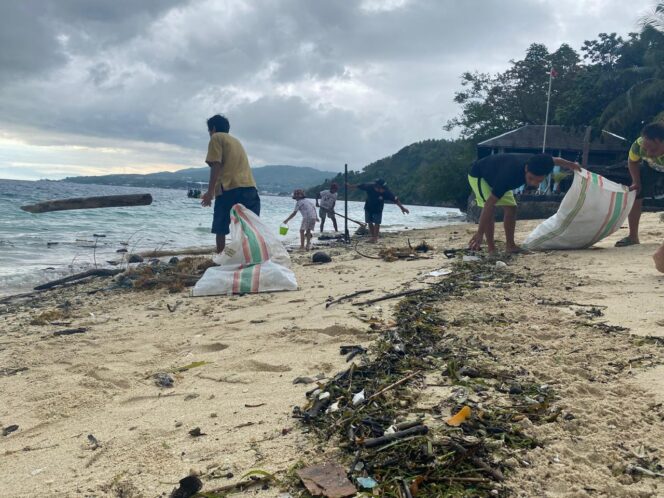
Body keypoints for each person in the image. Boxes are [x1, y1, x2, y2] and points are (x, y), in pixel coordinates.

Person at [468, 153, 580, 253]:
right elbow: (489, 205)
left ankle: (510, 246)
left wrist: (572, 165)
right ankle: (491, 249)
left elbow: (556, 160)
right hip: (480, 175)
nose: (533, 183)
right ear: (526, 168)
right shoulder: (509, 176)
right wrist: (479, 233)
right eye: (531, 178)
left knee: (512, 208)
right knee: (490, 212)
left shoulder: (542, 162)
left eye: (539, 181)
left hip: (497, 176)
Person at [200, 114, 261, 254]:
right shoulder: (236, 141)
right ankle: (253, 256)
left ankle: (221, 258)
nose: (210, 134)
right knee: (251, 227)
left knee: (220, 227)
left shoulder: (216, 137)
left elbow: (216, 165)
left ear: (213, 128)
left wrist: (210, 193)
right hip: (250, 188)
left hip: (229, 188)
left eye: (209, 131)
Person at [615, 122, 664, 248]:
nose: (648, 153)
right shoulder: (638, 145)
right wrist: (636, 182)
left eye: (653, 149)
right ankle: (633, 237)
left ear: (661, 141)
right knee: (636, 192)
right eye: (645, 149)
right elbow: (632, 162)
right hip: (651, 168)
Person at [347, 179, 409, 243]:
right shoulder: (369, 186)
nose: (384, 190)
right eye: (382, 188)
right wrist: (350, 186)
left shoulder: (386, 192)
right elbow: (359, 185)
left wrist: (402, 208)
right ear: (377, 187)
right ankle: (373, 237)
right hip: (368, 207)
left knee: (377, 223)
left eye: (384, 188)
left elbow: (395, 199)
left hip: (378, 209)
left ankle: (375, 238)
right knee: (369, 222)